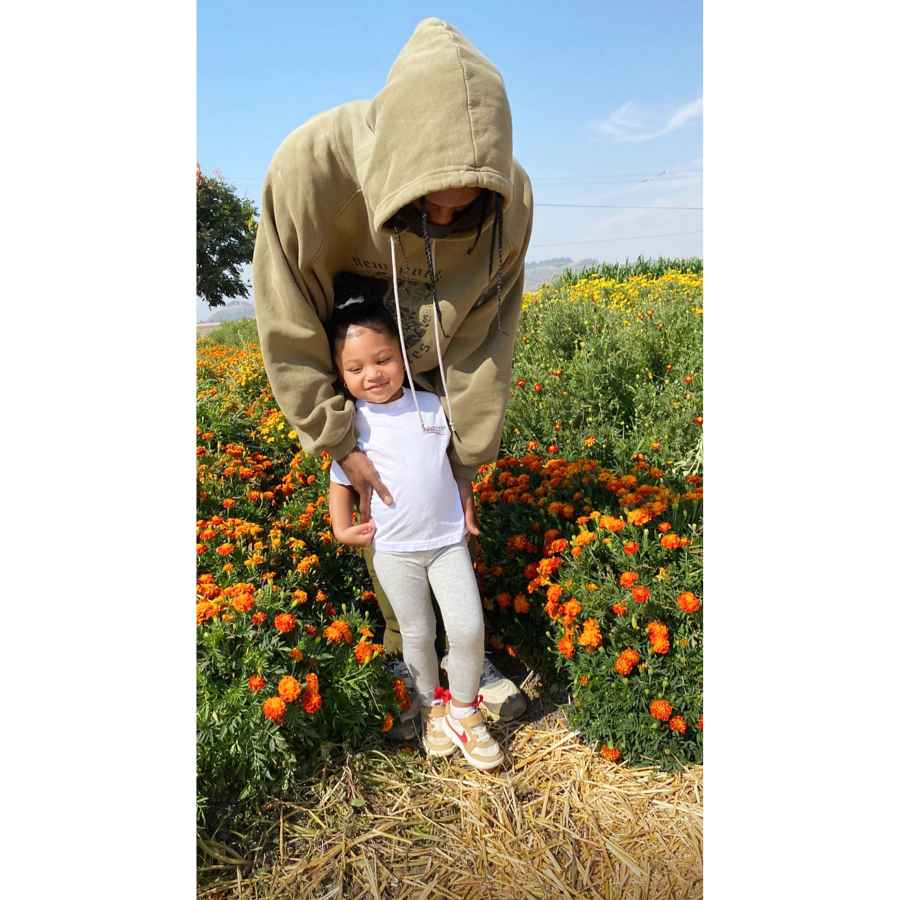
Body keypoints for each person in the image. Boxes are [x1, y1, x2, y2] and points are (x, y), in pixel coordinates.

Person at [253, 18, 532, 739]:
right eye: (427, 202)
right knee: (388, 513)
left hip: (432, 365)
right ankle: (406, 657)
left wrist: (465, 462)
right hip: (353, 365)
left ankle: (461, 658)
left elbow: (486, 341)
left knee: (441, 514)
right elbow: (287, 325)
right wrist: (339, 442)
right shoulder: (309, 172)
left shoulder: (512, 202)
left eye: (462, 210)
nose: (444, 216)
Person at [326, 288, 503, 770]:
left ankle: (465, 711)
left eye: (382, 360)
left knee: (467, 626)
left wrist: (467, 506)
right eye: (355, 368)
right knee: (418, 634)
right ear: (340, 375)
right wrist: (341, 528)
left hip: (447, 543)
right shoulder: (351, 425)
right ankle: (433, 707)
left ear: (404, 358)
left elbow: (455, 467)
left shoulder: (431, 406)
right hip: (394, 550)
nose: (372, 374)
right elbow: (340, 481)